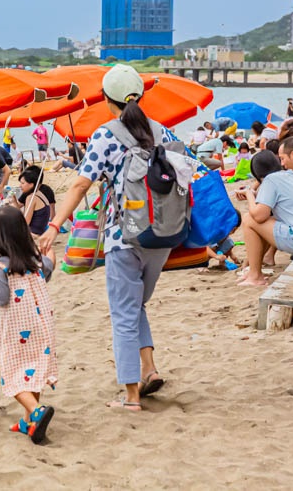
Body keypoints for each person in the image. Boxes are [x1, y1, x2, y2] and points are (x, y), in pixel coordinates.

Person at [39, 64, 179, 412]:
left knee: (123, 314)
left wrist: (54, 225)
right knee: (135, 305)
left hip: (124, 238)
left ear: (106, 100)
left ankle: (131, 396)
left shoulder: (106, 135)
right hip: (163, 236)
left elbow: (80, 183)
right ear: (141, 96)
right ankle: (149, 369)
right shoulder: (163, 132)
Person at [0, 206, 57, 444]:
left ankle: (36, 412)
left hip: (16, 329)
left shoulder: (1, 267)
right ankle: (29, 422)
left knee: (14, 374)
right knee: (33, 371)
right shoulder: (35, 260)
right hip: (42, 324)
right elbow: (47, 269)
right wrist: (51, 256)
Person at [236, 151, 293, 286]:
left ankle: (255, 276)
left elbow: (258, 216)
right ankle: (253, 270)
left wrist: (249, 194)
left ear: (258, 175)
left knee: (248, 219)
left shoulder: (270, 180)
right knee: (266, 220)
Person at [13, 165, 56, 236]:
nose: (20, 186)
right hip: (41, 230)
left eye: (22, 183)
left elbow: (25, 223)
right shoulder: (39, 193)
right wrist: (14, 201)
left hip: (33, 233)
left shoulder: (31, 197)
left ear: (31, 184)